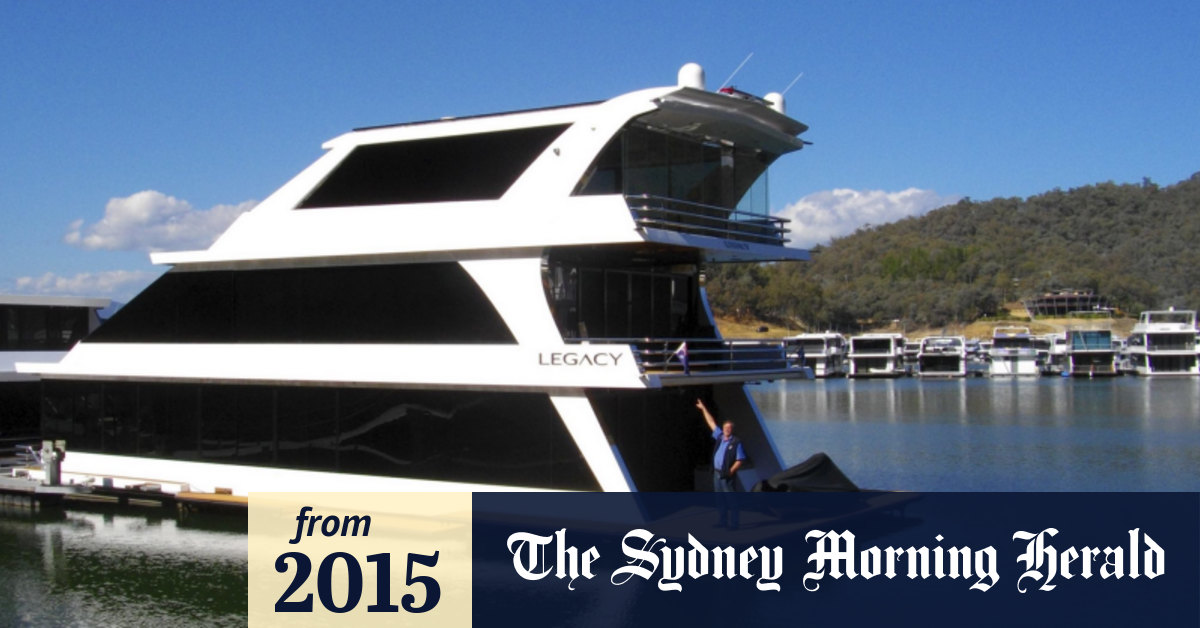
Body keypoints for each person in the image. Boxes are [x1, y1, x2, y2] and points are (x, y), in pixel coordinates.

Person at [696, 398, 745, 528]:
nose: (727, 430)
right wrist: (703, 408)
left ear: (732, 430)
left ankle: (734, 524)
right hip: (716, 473)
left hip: (726, 474)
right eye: (725, 428)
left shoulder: (736, 442)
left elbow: (740, 460)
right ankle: (722, 521)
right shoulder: (719, 436)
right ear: (722, 429)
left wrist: (730, 472)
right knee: (719, 498)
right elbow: (711, 422)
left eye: (729, 428)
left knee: (731, 499)